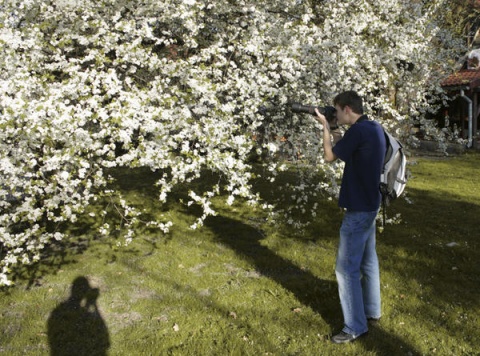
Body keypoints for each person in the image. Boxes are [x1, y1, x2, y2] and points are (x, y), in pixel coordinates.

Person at [315, 90, 386, 344]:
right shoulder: (373, 127)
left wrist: (325, 126)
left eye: (336, 110)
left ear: (347, 109)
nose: (335, 114)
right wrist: (333, 128)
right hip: (370, 205)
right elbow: (343, 149)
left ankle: (355, 326)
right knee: (368, 261)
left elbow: (330, 156)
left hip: (358, 210)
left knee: (346, 270)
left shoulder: (357, 131)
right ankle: (372, 310)